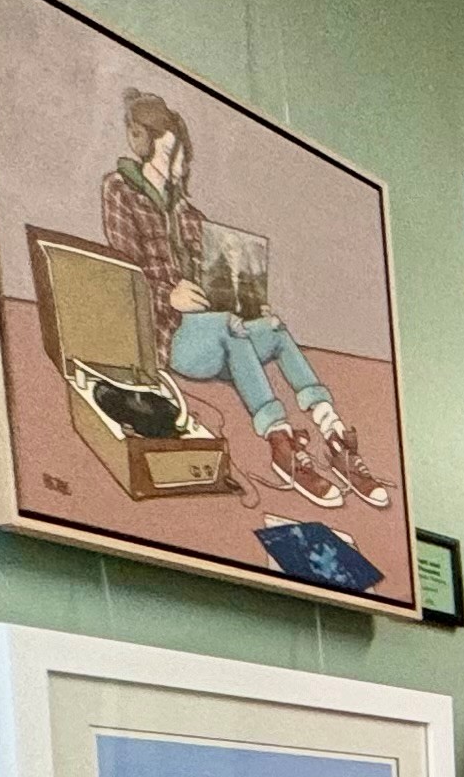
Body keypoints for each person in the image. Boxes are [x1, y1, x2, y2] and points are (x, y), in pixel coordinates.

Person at [100, 89, 393, 515]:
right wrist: (168, 294)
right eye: (166, 155)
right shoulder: (119, 192)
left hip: (213, 334)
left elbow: (219, 282)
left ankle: (333, 436)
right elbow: (118, 272)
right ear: (143, 147)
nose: (174, 167)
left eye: (177, 155)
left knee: (271, 329)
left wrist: (252, 304)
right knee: (230, 328)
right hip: (166, 336)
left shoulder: (187, 213)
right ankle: (281, 443)